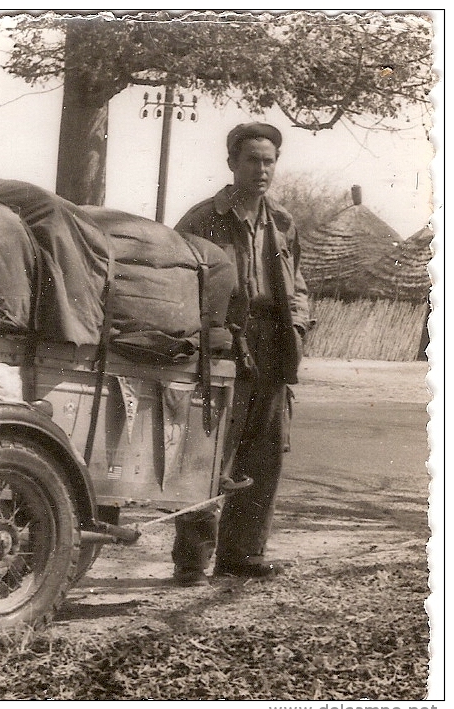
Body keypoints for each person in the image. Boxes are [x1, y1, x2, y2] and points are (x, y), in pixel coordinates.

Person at [171, 122, 313, 586]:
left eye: (269, 161)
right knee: (209, 451)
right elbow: (179, 284)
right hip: (224, 345)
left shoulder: (284, 221)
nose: (262, 169)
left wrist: (297, 324)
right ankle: (192, 561)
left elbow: (298, 285)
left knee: (264, 452)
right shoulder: (201, 220)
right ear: (232, 163)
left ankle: (242, 555)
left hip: (274, 344)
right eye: (252, 159)